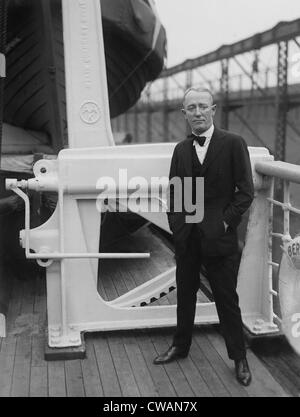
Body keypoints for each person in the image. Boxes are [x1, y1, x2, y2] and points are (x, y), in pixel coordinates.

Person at [153, 87, 254, 387]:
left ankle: (239, 358)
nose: (197, 112)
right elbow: (177, 194)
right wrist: (178, 228)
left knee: (226, 298)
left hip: (219, 238)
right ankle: (180, 346)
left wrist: (223, 224)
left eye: (202, 107)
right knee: (185, 295)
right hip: (188, 238)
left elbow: (245, 192)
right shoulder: (182, 150)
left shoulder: (234, 143)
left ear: (213, 109)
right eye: (191, 108)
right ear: (184, 114)